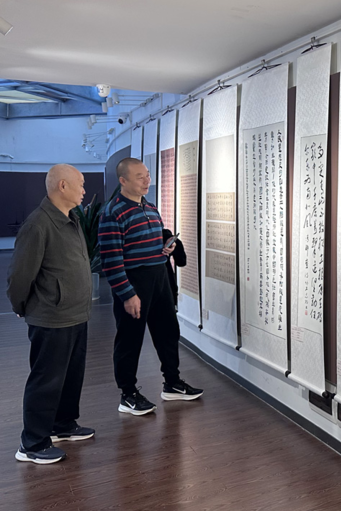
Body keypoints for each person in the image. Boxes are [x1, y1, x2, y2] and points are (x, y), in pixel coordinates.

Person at [99, 157, 202, 416]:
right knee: (130, 339)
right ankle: (128, 394)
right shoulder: (113, 213)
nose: (147, 180)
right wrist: (127, 294)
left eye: (147, 175)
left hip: (159, 277)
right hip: (134, 282)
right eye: (140, 177)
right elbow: (111, 260)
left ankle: (172, 383)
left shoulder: (150, 207)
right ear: (123, 181)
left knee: (168, 331)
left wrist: (167, 247)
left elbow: (149, 242)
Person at [7, 164, 95, 464]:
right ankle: (32, 443)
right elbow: (20, 275)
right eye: (80, 184)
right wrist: (21, 306)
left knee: (71, 376)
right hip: (51, 317)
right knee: (46, 380)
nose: (84, 190)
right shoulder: (38, 224)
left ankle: (63, 424)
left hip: (76, 314)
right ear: (62, 186)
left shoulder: (72, 219)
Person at [162, 228, 186, 307]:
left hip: (166, 286)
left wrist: (171, 241)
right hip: (166, 286)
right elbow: (181, 261)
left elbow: (181, 262)